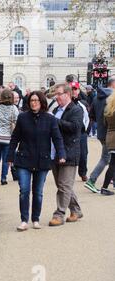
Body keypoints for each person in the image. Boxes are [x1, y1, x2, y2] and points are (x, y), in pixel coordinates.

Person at [8, 91, 66, 231]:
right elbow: (15, 138)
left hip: (42, 160)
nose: (34, 103)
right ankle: (24, 220)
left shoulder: (50, 119)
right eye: (31, 100)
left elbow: (57, 138)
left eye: (36, 100)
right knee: (24, 190)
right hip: (24, 159)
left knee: (38, 192)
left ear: (42, 102)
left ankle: (35, 219)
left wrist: (61, 153)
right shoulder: (22, 118)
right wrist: (10, 156)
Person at [49, 83, 84, 226]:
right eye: (55, 94)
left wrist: (54, 120)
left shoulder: (76, 110)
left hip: (69, 152)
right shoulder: (56, 109)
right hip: (54, 152)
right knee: (63, 185)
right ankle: (76, 210)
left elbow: (75, 128)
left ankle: (59, 214)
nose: (56, 97)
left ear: (67, 95)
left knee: (64, 186)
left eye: (59, 94)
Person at [84, 78, 115, 193]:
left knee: (110, 158)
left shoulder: (97, 97)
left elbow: (91, 115)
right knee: (106, 159)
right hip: (111, 133)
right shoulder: (112, 97)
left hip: (102, 132)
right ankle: (92, 180)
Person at [69, 82, 90, 182]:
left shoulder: (84, 103)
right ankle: (67, 174)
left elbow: (88, 118)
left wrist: (86, 130)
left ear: (78, 90)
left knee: (83, 154)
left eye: (75, 89)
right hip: (69, 131)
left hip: (81, 132)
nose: (73, 91)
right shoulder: (66, 103)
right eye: (72, 89)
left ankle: (83, 173)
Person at [99, 92, 115, 195]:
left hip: (110, 137)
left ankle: (105, 187)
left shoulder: (108, 110)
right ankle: (104, 187)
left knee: (113, 163)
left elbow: (104, 124)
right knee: (113, 164)